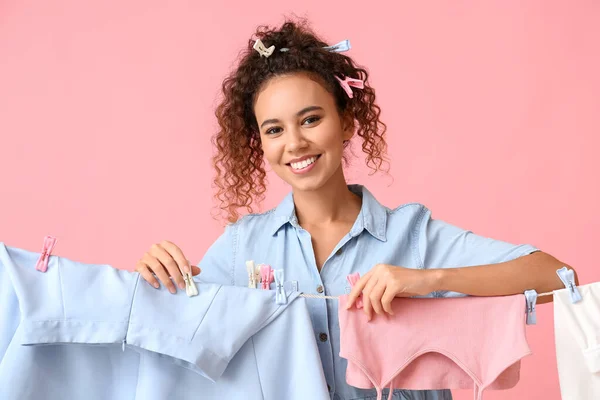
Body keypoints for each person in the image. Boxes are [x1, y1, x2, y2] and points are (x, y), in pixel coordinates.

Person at [132, 19, 577, 400]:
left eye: (310, 119)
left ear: (345, 122)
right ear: (260, 144)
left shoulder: (414, 236)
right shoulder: (240, 247)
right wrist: (160, 278)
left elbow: (559, 277)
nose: (295, 143)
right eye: (274, 129)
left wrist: (429, 280)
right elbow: (179, 344)